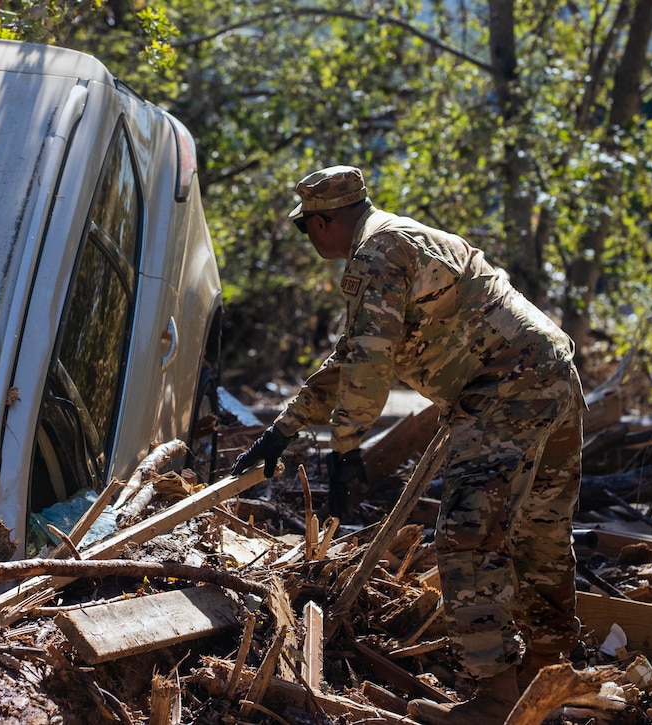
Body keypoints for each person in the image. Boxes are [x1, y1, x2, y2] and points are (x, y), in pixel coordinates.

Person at [231, 166, 584, 724]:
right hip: (548, 372)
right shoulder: (394, 241)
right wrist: (286, 426)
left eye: (307, 228)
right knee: (539, 530)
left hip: (506, 388)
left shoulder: (376, 254)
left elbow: (369, 362)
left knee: (470, 533)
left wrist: (346, 448)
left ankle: (496, 702)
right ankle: (549, 681)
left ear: (323, 221)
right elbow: (353, 355)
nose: (310, 237)